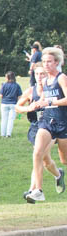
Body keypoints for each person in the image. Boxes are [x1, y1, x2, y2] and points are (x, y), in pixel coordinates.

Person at [25, 46, 67, 203]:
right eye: (44, 62)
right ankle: (38, 191)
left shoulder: (61, 78)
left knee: (64, 160)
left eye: (49, 61)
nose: (46, 64)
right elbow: (41, 100)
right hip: (47, 121)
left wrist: (50, 101)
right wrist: (34, 105)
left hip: (63, 123)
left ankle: (59, 174)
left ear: (56, 62)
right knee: (37, 153)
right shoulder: (43, 81)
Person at [0, 71, 22, 138]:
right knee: (11, 120)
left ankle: (2, 134)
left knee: (4, 119)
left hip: (4, 104)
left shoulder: (4, 85)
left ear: (7, 77)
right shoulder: (17, 85)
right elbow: (19, 96)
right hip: (13, 104)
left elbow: (1, 95)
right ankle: (8, 134)